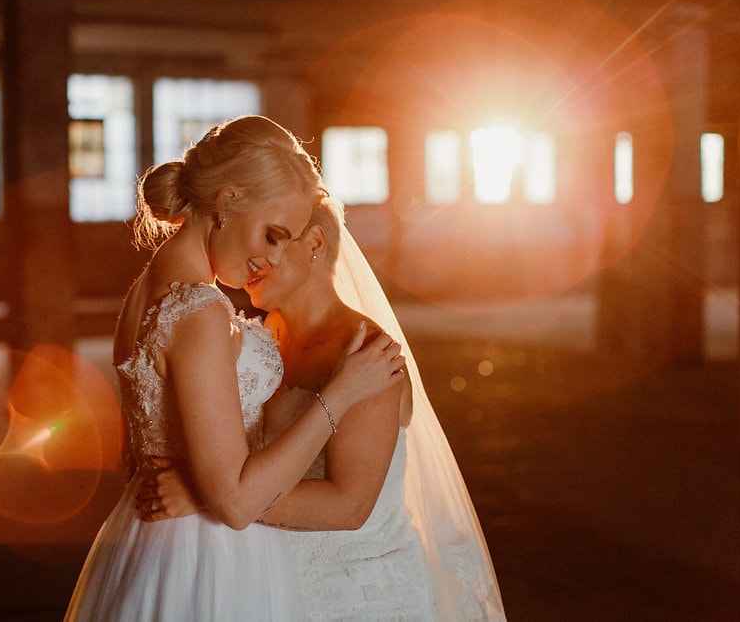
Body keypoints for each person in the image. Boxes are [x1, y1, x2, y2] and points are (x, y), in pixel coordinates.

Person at [64, 115, 406, 621]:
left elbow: (143, 452)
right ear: (227, 202)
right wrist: (340, 395)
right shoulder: (199, 313)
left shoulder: (147, 292)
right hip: (208, 559)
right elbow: (238, 503)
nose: (269, 257)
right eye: (270, 234)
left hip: (150, 543)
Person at [142, 197, 506, 621]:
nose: (253, 256)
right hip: (271, 581)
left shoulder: (368, 352)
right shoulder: (256, 345)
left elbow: (349, 505)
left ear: (315, 242)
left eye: (271, 239)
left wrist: (209, 497)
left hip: (361, 593)